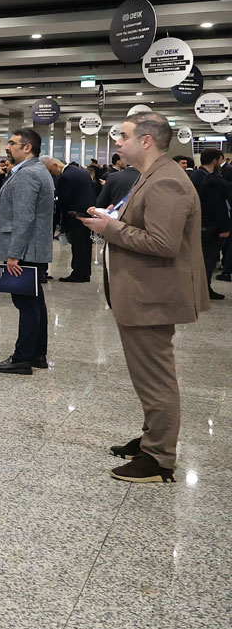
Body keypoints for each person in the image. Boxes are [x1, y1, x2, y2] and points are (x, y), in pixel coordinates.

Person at [78, 113, 208, 482]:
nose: (117, 143)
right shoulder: (150, 175)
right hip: (144, 294)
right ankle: (153, 438)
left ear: (146, 140)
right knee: (147, 376)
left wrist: (110, 228)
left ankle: (159, 457)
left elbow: (163, 243)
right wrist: (111, 218)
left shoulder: (166, 180)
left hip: (152, 296)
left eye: (124, 136)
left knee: (155, 377)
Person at [0, 129, 55, 376]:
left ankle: (22, 358)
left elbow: (24, 218)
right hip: (31, 248)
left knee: (26, 304)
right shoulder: (35, 170)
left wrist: (14, 254)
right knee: (34, 302)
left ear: (27, 148)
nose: (7, 147)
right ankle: (37, 354)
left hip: (24, 250)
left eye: (12, 143)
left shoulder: (28, 174)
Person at [46, 156, 97, 282]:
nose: (53, 175)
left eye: (51, 171)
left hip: (75, 215)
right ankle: (85, 273)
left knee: (78, 246)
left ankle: (78, 274)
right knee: (85, 245)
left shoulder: (66, 176)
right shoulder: (81, 171)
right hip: (87, 213)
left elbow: (64, 199)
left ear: (55, 165)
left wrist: (59, 216)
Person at [190, 148, 231, 301]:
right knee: (208, 259)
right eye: (220, 160)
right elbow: (217, 207)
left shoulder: (195, 176)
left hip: (197, 223)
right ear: (215, 161)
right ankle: (204, 289)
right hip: (210, 226)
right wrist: (225, 227)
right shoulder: (210, 180)